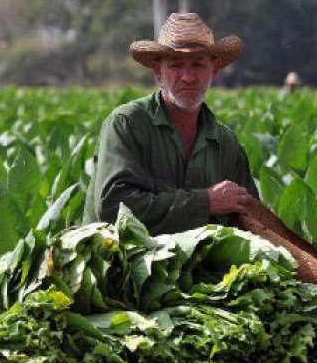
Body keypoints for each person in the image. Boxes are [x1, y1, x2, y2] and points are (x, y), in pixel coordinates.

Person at [83, 13, 259, 235]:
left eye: (198, 65)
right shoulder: (127, 124)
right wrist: (205, 203)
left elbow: (252, 220)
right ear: (158, 70)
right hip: (118, 263)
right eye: (176, 65)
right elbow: (112, 207)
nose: (188, 76)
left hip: (199, 268)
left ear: (214, 69)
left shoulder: (226, 144)